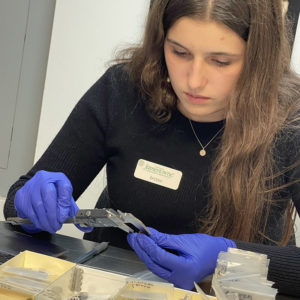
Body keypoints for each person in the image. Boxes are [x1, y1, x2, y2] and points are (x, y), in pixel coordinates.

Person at [4, 0, 300, 296]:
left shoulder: (291, 121)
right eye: (179, 52)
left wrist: (228, 256)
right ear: (161, 41)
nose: (194, 81)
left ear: (258, 58)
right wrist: (30, 205)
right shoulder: (123, 90)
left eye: (221, 61)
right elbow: (18, 201)